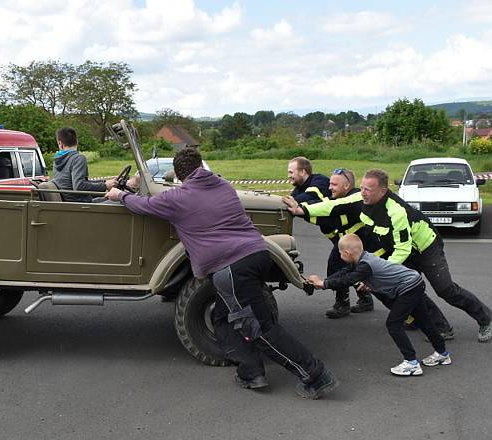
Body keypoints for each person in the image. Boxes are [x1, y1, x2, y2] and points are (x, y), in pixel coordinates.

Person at [105, 148, 338, 398]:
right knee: (222, 319)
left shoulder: (179, 198)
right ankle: (251, 372)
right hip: (257, 254)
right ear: (200, 168)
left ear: (180, 174)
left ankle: (315, 374)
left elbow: (144, 204)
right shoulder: (223, 186)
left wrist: (119, 194)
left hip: (230, 266)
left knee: (258, 327)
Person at [289, 169, 492, 343]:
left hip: (424, 247)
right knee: (410, 288)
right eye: (362, 188)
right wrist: (301, 209)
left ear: (383, 190)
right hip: (401, 248)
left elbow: (403, 250)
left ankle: (485, 318)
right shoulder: (361, 197)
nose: (363, 193)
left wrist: (379, 271)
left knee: (445, 289)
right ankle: (441, 328)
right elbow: (332, 206)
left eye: (368, 190)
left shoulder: (396, 211)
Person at [308, 234, 450, 376]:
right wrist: (325, 281)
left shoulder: (364, 265)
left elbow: (347, 280)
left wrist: (323, 284)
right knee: (423, 320)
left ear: (346, 253)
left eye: (339, 252)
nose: (339, 255)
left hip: (409, 288)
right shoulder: (363, 259)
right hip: (415, 283)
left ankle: (411, 363)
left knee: (393, 324)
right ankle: (442, 354)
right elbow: (344, 273)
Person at [283, 168, 374, 318]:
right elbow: (323, 204)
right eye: (330, 184)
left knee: (339, 265)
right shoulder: (337, 198)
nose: (329, 187)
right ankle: (364, 299)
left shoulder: (353, 199)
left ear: (347, 186)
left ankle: (343, 304)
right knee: (350, 268)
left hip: (365, 243)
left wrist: (301, 211)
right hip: (350, 242)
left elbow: (332, 217)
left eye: (334, 185)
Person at [51, 127, 115, 201]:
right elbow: (79, 186)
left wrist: (104, 182)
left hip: (70, 201)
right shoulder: (78, 158)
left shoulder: (58, 159)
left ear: (60, 143)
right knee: (119, 200)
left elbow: (81, 182)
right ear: (77, 141)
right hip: (80, 203)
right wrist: (105, 186)